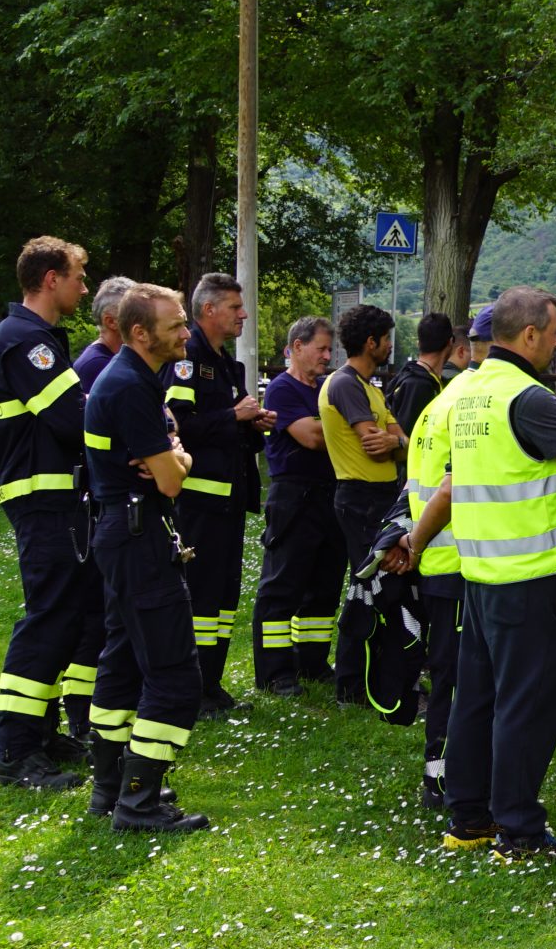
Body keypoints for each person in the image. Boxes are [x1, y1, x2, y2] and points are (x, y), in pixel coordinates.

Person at [401, 286, 556, 859]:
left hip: (481, 575)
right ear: (530, 336)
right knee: (528, 706)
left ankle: (468, 818)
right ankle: (518, 828)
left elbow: (457, 480)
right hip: (532, 581)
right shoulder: (529, 396)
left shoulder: (466, 392)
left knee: (477, 701)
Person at [81, 282, 212, 832]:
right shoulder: (132, 385)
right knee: (175, 673)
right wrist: (178, 455)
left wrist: (171, 450)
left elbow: (166, 454)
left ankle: (110, 786)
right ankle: (139, 800)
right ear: (141, 333)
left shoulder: (133, 378)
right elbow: (173, 480)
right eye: (177, 325)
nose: (186, 333)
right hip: (139, 537)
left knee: (122, 662)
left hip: (124, 532)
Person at [0, 236, 98, 791]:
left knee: (65, 618)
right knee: (47, 619)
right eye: (78, 275)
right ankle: (15, 751)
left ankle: (42, 735)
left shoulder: (37, 338)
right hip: (44, 500)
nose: (84, 286)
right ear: (51, 278)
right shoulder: (26, 342)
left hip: (57, 500)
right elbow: (75, 421)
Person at [166, 274, 271, 713]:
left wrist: (254, 423)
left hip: (229, 499)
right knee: (203, 596)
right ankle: (193, 687)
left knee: (225, 597)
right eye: (233, 307)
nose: (243, 314)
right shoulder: (187, 358)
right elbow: (178, 426)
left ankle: (212, 685)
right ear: (208, 310)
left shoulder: (227, 363)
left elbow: (229, 423)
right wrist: (233, 415)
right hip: (200, 501)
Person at [398, 340, 475, 810]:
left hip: (436, 566)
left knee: (448, 675)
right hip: (459, 562)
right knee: (458, 680)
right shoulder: (464, 409)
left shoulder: (436, 405)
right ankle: (446, 777)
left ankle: (439, 773)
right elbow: (447, 490)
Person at [320, 304, 405, 708]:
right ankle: (356, 686)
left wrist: (396, 442)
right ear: (371, 342)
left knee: (375, 589)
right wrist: (394, 443)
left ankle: (368, 683)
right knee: (370, 590)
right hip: (360, 499)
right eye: (387, 338)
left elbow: (399, 441)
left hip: (380, 500)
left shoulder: (371, 386)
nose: (391, 345)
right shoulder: (345, 384)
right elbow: (376, 446)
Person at [252, 316, 341, 694]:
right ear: (297, 346)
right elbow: (313, 438)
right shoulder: (282, 390)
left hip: (328, 495)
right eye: (320, 348)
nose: (327, 356)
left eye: (329, 348)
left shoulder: (325, 389)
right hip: (294, 495)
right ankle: (276, 673)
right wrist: (351, 429)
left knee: (324, 584)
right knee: (283, 585)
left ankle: (312, 662)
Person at [389, 312, 458, 440]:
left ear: (418, 343)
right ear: (450, 342)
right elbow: (409, 437)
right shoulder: (418, 385)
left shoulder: (408, 375)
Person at [73, 276, 134, 387]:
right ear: (111, 322)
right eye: (135, 313)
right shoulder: (96, 365)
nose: (145, 319)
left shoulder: (113, 358)